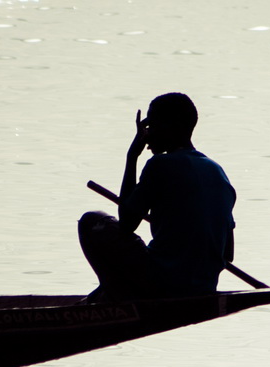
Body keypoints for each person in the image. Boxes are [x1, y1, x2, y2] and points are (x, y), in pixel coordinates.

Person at [79, 92, 236, 300]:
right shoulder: (218, 172)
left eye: (151, 125)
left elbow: (127, 223)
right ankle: (113, 290)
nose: (145, 134)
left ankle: (116, 294)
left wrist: (132, 157)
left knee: (91, 221)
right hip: (204, 287)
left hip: (162, 283)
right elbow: (228, 254)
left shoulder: (159, 165)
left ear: (174, 126)